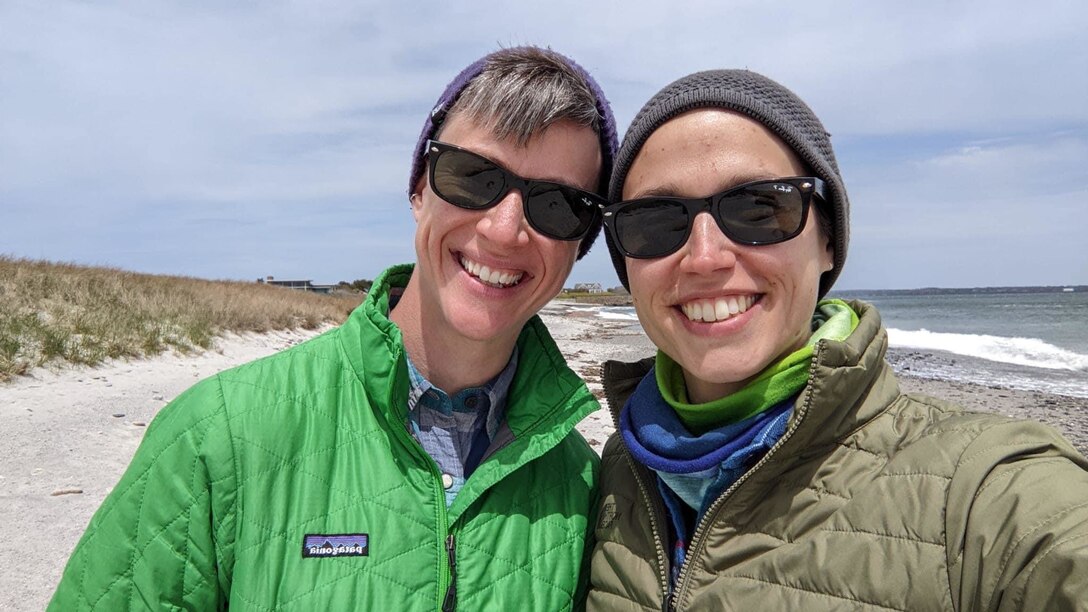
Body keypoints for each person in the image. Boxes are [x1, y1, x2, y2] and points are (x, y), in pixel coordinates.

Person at [50, 46, 617, 611]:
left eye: (559, 205)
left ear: (578, 245)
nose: (505, 228)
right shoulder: (215, 438)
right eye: (473, 177)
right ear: (419, 188)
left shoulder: (589, 489)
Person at [587, 70, 1088, 610]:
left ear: (827, 241)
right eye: (655, 222)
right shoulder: (615, 472)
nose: (706, 256)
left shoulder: (984, 491)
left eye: (758, 208)